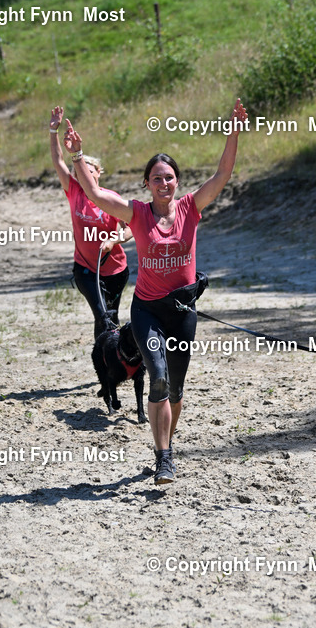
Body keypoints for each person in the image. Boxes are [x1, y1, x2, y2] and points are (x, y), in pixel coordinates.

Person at [65, 98, 248, 486]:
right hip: (147, 311)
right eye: (156, 178)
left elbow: (223, 174)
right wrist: (78, 155)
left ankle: (167, 444)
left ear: (176, 181)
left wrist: (233, 132)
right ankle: (163, 457)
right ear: (147, 184)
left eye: (169, 177)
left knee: (176, 389)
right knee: (158, 378)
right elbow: (96, 194)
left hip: (182, 313)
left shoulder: (190, 208)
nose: (164, 183)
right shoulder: (137, 213)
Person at [49, 105, 130, 339]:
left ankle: (112, 356)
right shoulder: (73, 191)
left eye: (90, 170)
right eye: (80, 171)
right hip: (85, 268)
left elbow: (130, 229)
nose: (83, 174)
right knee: (102, 314)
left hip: (115, 269)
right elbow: (58, 161)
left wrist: (115, 240)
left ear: (98, 173)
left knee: (111, 316)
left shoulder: (111, 198)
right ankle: (104, 361)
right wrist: (53, 131)